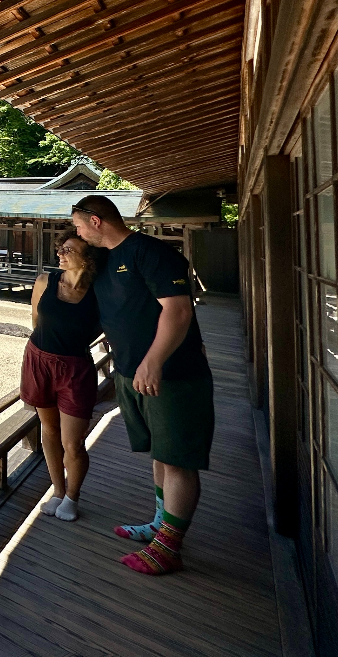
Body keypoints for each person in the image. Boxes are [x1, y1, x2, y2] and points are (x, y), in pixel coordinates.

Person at [71, 194, 214, 576]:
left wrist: (153, 361)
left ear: (96, 220)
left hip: (173, 374)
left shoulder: (150, 253)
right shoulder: (104, 260)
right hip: (131, 373)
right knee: (161, 454)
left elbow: (178, 310)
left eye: (80, 226)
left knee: (178, 459)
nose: (78, 234)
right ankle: (160, 524)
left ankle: (169, 547)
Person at [20, 231, 102, 522]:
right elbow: (36, 319)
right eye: (60, 249)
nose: (60, 254)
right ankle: (57, 490)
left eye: (69, 250)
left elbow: (105, 328)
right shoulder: (45, 281)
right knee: (50, 430)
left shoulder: (98, 293)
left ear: (87, 258)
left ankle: (72, 497)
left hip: (75, 367)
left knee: (73, 443)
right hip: (39, 359)